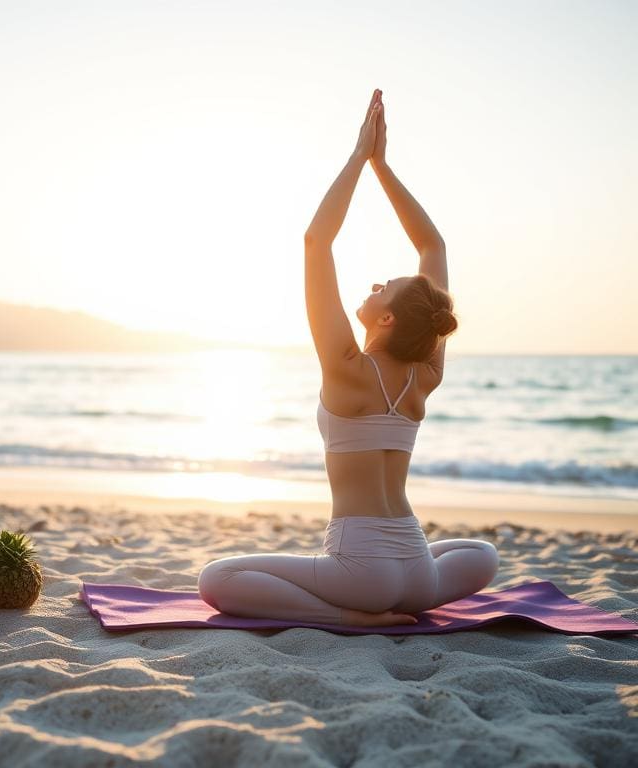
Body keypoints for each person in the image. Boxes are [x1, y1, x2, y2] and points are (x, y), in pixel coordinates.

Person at [197, 88, 498, 627]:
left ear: (385, 320)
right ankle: (397, 601)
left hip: (358, 571)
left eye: (385, 287)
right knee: (482, 554)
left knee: (216, 579)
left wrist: (361, 157)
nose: (376, 283)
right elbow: (434, 247)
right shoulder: (426, 374)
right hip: (415, 570)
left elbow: (318, 241)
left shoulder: (345, 366)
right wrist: (385, 167)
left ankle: (353, 619)